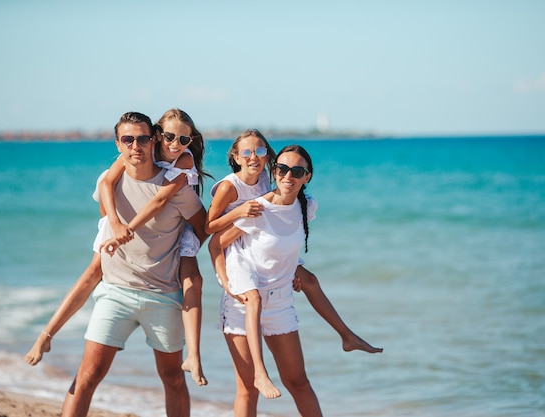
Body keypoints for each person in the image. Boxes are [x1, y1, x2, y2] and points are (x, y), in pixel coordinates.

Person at [24, 109, 210, 387]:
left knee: (192, 279)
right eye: (169, 136)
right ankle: (47, 334)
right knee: (92, 273)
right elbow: (108, 183)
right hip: (118, 226)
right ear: (159, 134)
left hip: (178, 231)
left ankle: (194, 355)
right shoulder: (135, 153)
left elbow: (159, 203)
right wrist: (114, 223)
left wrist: (129, 230)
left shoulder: (183, 161)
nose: (175, 144)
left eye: (183, 139)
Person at [206, 130, 382, 355]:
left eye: (260, 151)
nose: (254, 157)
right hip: (239, 249)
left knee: (309, 280)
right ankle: (260, 372)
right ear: (236, 157)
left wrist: (286, 271)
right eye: (247, 152)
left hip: (261, 243)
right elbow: (210, 229)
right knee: (254, 299)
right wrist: (223, 276)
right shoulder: (231, 187)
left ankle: (347, 336)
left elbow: (279, 210)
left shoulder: (264, 178)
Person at [209, 144, 323, 416]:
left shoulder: (306, 206)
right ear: (274, 171)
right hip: (242, 302)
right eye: (282, 169)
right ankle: (261, 373)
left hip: (280, 303)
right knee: (247, 388)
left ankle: (348, 336)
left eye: (297, 171)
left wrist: (294, 270)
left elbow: (284, 248)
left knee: (299, 382)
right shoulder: (258, 208)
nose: (288, 175)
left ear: (307, 176)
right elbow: (217, 243)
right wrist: (225, 281)